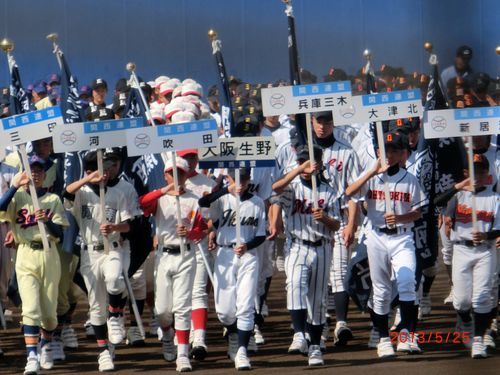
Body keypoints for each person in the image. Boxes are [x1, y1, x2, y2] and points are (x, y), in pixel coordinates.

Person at [346, 131, 427, 357]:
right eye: (385, 150)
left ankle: (406, 337)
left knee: (407, 281)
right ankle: (383, 339)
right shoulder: (370, 175)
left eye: (393, 150)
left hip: (402, 237)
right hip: (376, 237)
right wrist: (372, 170)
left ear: (402, 154)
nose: (388, 154)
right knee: (380, 291)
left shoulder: (409, 179)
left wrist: (400, 218)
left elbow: (418, 212)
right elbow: (349, 193)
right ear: (378, 151)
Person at [271, 145, 340, 366]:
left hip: (322, 246)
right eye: (302, 160)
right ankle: (299, 334)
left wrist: (325, 219)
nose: (305, 165)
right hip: (297, 245)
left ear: (319, 163)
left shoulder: (329, 191)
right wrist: (299, 168)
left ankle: (315, 346)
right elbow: (275, 187)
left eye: (309, 160)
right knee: (294, 285)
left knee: (318, 300)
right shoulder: (292, 188)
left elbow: (337, 224)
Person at [64, 151, 132, 372]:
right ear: (90, 170)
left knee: (114, 279)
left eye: (109, 167)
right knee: (95, 307)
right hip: (89, 252)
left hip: (111, 248)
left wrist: (115, 227)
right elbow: (65, 193)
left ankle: (115, 314)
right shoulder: (82, 191)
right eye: (100, 168)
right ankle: (104, 351)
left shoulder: (117, 191)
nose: (106, 171)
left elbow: (128, 225)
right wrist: (88, 178)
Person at [0, 155, 69, 374]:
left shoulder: (53, 200)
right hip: (25, 253)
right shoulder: (18, 197)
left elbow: (61, 234)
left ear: (44, 175)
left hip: (49, 254)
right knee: (30, 308)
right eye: (32, 170)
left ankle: (46, 344)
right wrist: (13, 186)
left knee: (49, 314)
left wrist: (47, 222)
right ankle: (31, 356)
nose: (35, 174)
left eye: (39, 170)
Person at [198, 168, 266, 370]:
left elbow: (261, 234)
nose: (241, 183)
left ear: (249, 179)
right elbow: (203, 203)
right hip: (225, 254)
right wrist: (225, 190)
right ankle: (233, 333)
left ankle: (242, 351)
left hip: (247, 255)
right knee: (225, 312)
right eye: (236, 179)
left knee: (245, 307)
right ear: (228, 178)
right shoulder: (223, 199)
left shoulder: (257, 202)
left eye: (244, 179)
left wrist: (248, 246)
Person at [139, 157, 199, 372]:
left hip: (185, 254)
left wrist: (191, 232)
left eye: (180, 174)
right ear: (165, 175)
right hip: (163, 255)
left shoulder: (194, 199)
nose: (176, 178)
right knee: (162, 309)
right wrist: (165, 190)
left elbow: (204, 227)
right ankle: (167, 334)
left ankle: (182, 354)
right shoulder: (160, 198)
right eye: (171, 173)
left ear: (186, 176)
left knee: (182, 307)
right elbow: (142, 202)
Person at [436, 154, 499, 358]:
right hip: (461, 249)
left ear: (487, 174)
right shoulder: (459, 195)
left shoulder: (494, 197)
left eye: (481, 171)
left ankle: (479, 340)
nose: (478, 175)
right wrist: (458, 186)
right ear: (466, 173)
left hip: (484, 250)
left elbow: (499, 229)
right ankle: (465, 322)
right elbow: (437, 201)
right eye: (474, 171)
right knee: (462, 301)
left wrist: (486, 234)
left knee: (481, 297)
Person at [177, 149, 216, 360]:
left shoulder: (208, 184)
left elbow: (215, 217)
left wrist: (208, 232)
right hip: (174, 249)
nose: (190, 161)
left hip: (198, 244)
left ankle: (199, 338)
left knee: (199, 291)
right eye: (185, 157)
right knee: (181, 295)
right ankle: (183, 332)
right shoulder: (168, 184)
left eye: (193, 157)